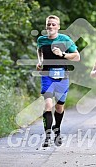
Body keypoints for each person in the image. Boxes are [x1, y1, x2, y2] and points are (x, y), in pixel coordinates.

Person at [36, 15, 80, 147]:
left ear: (58, 27)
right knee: (48, 105)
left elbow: (77, 57)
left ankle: (57, 130)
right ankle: (47, 136)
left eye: (53, 24)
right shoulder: (41, 40)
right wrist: (39, 62)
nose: (50, 26)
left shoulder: (65, 39)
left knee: (59, 107)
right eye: (49, 24)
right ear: (46, 26)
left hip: (62, 76)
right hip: (47, 75)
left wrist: (62, 54)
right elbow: (39, 51)